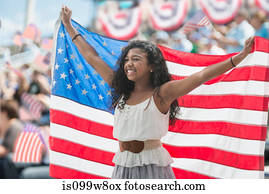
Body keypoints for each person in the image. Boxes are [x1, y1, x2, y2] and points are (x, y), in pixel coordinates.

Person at [60, 6, 254, 179]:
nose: (128, 63)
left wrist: (238, 58)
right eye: (127, 59)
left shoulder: (162, 93)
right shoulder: (119, 88)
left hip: (153, 168)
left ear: (152, 66)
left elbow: (201, 76)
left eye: (136, 59)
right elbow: (91, 57)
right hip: (122, 167)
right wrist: (69, 27)